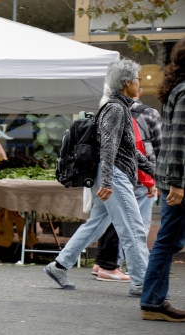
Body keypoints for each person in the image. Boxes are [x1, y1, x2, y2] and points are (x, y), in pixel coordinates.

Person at [43, 58, 155, 298]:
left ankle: (59, 266)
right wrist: (107, 181)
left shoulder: (118, 107)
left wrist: (155, 173)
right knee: (133, 229)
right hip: (114, 176)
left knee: (96, 225)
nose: (139, 83)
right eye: (138, 80)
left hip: (111, 174)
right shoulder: (116, 109)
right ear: (127, 83)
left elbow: (129, 151)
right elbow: (108, 147)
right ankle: (142, 283)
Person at [91, 85, 161, 282]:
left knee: (108, 220)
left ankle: (101, 263)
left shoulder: (107, 108)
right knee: (136, 226)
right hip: (130, 175)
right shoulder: (144, 112)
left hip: (115, 173)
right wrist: (152, 177)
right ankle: (134, 276)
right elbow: (151, 147)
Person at [140, 37, 185, 322]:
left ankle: (153, 300)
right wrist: (179, 184)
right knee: (168, 241)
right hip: (178, 179)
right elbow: (179, 138)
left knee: (170, 240)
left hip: (173, 176)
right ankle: (153, 301)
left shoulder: (177, 89)